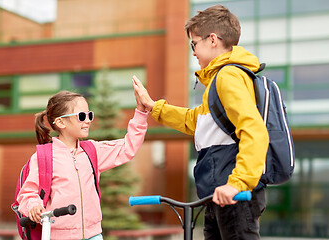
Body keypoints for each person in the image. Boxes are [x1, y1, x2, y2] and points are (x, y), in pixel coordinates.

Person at [132, 4, 269, 240]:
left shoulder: (228, 76)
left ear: (212, 39)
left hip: (232, 194)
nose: (193, 51)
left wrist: (237, 183)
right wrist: (153, 107)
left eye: (193, 44)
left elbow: (255, 130)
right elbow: (195, 121)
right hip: (218, 194)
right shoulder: (218, 79)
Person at [17, 89, 149, 240]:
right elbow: (27, 194)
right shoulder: (43, 157)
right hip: (59, 236)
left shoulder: (92, 151)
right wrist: (33, 206)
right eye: (81, 116)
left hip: (94, 235)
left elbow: (128, 147)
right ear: (61, 122)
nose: (88, 120)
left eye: (89, 115)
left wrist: (140, 112)